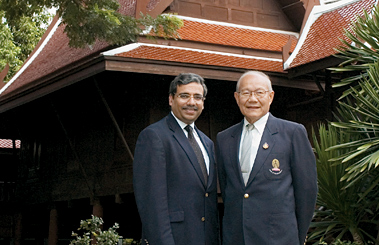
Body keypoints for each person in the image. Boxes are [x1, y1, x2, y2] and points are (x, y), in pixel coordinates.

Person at [216, 71, 317, 245]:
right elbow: (228, 189)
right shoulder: (224, 138)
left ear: (270, 97)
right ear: (237, 97)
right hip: (236, 236)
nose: (252, 99)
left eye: (259, 93)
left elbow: (306, 191)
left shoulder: (292, 133)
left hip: (278, 237)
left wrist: (297, 236)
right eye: (246, 93)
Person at [133, 73, 219, 245]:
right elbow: (152, 204)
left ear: (203, 102)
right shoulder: (154, 136)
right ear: (171, 99)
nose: (191, 102)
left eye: (197, 97)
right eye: (184, 96)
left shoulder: (207, 143)